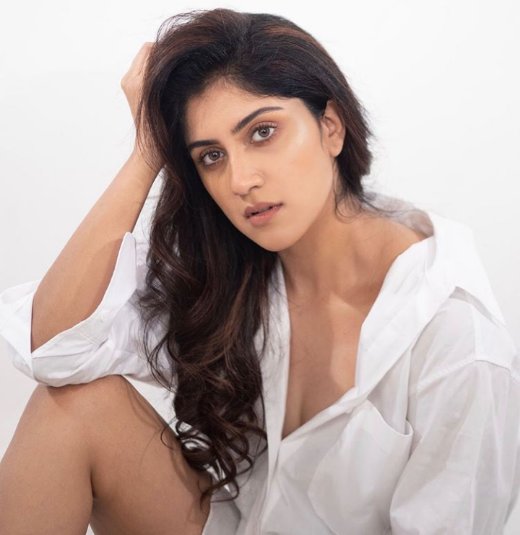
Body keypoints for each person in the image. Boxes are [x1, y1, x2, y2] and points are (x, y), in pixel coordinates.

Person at [0, 7, 519, 535]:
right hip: (241, 524)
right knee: (74, 407)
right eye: (211, 156)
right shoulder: (232, 272)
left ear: (331, 126)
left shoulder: (458, 342)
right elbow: (52, 351)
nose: (240, 180)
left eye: (262, 132)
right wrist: (147, 152)